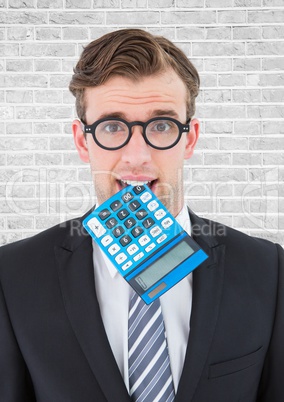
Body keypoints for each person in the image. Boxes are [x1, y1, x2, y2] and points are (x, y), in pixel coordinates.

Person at [0, 28, 283, 402]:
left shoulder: (269, 270)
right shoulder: (12, 276)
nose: (137, 156)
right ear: (83, 141)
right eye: (112, 126)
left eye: (162, 125)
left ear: (191, 138)